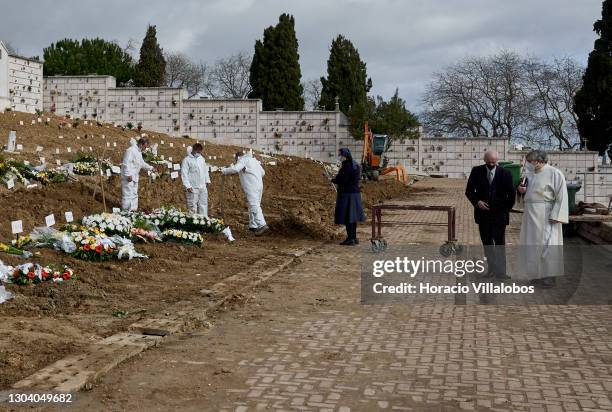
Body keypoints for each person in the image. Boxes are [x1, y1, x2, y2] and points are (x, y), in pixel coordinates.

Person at [517, 149, 568, 288]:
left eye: (530, 162)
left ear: (538, 161)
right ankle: (536, 275)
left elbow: (562, 195)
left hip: (546, 215)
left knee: (548, 245)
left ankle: (549, 277)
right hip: (530, 214)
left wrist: (557, 215)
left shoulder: (554, 173)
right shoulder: (530, 174)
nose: (528, 164)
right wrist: (521, 191)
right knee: (532, 245)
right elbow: (525, 191)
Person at [465, 150, 516, 279]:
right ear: (484, 160)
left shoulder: (506, 173)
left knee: (499, 244)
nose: (491, 164)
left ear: (497, 161)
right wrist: (477, 202)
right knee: (487, 244)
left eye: (493, 162)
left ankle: (501, 273)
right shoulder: (476, 171)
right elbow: (469, 191)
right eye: (489, 162)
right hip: (483, 215)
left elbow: (511, 195)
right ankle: (491, 270)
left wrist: (505, 210)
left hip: (500, 215)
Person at [222, 151, 269, 235]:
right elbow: (263, 173)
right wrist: (249, 171)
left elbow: (235, 169)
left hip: (251, 186)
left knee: (254, 205)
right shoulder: (254, 160)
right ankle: (253, 225)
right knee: (253, 204)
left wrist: (224, 170)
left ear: (237, 157)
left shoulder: (242, 160)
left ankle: (262, 224)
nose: (235, 161)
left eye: (235, 159)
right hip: (259, 185)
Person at [332, 148, 365, 246]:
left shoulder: (346, 166)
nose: (340, 157)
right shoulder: (355, 165)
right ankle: (353, 238)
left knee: (347, 217)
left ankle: (350, 239)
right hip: (355, 194)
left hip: (347, 194)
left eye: (341, 155)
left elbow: (344, 180)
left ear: (345, 156)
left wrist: (334, 180)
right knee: (353, 217)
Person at [121, 137, 154, 211]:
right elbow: (126, 163)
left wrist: (151, 168)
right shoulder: (131, 150)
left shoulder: (138, 152)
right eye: (145, 147)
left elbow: (142, 163)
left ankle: (133, 210)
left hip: (135, 177)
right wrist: (128, 175)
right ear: (140, 144)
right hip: (129, 177)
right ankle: (125, 211)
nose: (145, 149)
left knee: (134, 194)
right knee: (127, 194)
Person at [181, 143, 211, 216]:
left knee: (203, 204)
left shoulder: (201, 159)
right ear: (193, 150)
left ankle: (203, 221)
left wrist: (207, 180)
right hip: (193, 187)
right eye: (197, 152)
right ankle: (193, 223)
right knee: (192, 206)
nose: (199, 153)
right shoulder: (187, 160)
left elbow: (205, 170)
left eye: (200, 152)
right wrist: (187, 186)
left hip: (202, 186)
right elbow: (184, 173)